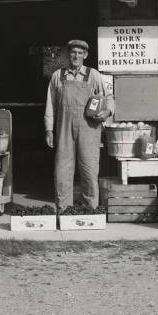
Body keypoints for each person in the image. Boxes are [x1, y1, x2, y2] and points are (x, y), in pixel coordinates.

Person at [44, 39, 114, 213]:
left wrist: (106, 113)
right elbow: (50, 106)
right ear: (68, 54)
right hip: (64, 131)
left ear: (86, 55)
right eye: (73, 52)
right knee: (62, 173)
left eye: (80, 53)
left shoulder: (94, 75)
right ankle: (64, 211)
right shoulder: (57, 76)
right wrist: (49, 130)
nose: (76, 56)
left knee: (89, 172)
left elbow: (109, 98)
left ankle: (91, 212)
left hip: (89, 130)